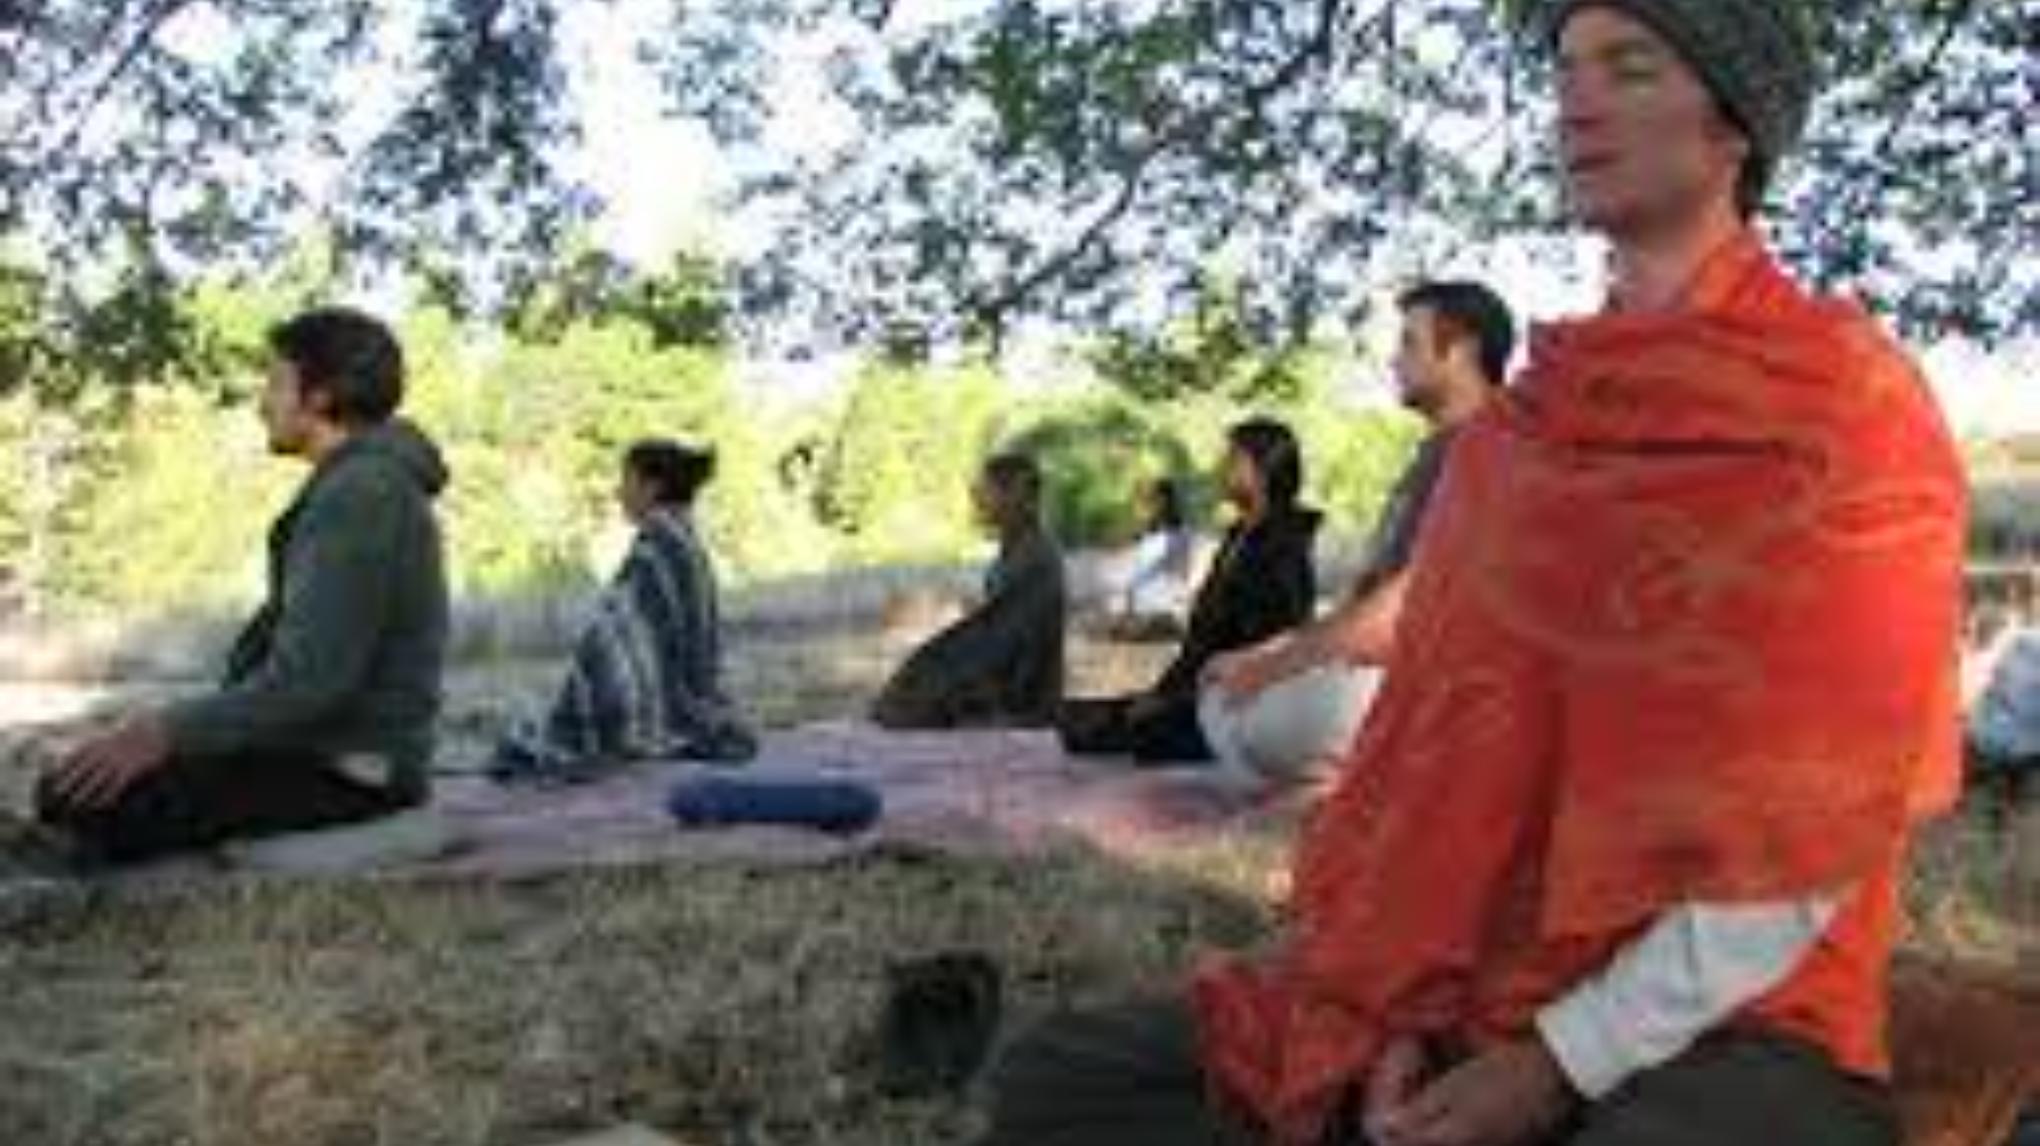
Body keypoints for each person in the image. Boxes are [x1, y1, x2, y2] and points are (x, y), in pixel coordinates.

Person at [973, 2, 1966, 1144]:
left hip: (1731, 1017)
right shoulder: (1517, 436)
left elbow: (1816, 842)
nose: (1578, 102)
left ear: (1733, 127)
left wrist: (1559, 1061)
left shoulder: (1844, 409)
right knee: (1057, 1081)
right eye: (1567, 69)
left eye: (1630, 68)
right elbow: (1436, 757)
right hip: (1467, 981)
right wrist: (1396, 1004)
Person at [34, 307, 452, 866]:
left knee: (80, 799)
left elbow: (309, 683)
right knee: (83, 778)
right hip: (323, 755)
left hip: (353, 772)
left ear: (320, 397)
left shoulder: (361, 496)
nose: (263, 403)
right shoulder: (361, 484)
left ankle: (389, 831)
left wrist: (161, 734)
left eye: (276, 383)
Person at [1197, 281, 1514, 790]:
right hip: (1393, 671)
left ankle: (1403, 763)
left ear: (1461, 350)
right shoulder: (1435, 453)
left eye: (1409, 342)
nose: (1394, 360)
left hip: (1453, 690)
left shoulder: (1496, 444)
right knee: (1221, 686)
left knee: (1255, 712)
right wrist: (1266, 655)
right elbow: (1362, 604)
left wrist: (1275, 667)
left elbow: (1404, 605)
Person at [491, 440, 757, 783]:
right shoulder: (678, 533)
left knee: (524, 744)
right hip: (694, 698)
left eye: (627, 481)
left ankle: (626, 723)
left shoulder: (661, 541)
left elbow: (614, 635)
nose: (619, 493)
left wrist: (584, 687)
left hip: (666, 706)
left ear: (652, 487)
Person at [1058, 418, 1319, 764]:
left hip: (1240, 701)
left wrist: (1180, 699)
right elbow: (1201, 637)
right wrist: (1164, 692)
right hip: (1200, 690)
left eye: (1233, 459)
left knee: (1131, 731)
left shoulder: (1284, 545)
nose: (1221, 468)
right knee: (1076, 717)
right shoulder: (1238, 537)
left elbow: (1274, 641)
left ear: (1264, 470)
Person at [871, 452, 1067, 729]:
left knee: (914, 696)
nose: (978, 501)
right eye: (979, 492)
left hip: (1024, 700)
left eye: (987, 492)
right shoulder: (1013, 554)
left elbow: (1000, 640)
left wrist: (929, 674)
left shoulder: (1036, 558)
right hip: (1006, 684)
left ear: (1018, 496)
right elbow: (990, 629)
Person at [1111, 476, 1196, 636]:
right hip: (1155, 580)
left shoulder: (1178, 527)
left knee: (1136, 592)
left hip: (1168, 580)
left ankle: (1152, 622)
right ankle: (1143, 623)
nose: (1154, 502)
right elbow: (1137, 537)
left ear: (1165, 499)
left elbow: (1173, 560)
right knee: (1129, 591)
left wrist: (1141, 579)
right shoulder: (1156, 523)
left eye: (1156, 498)